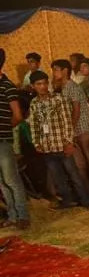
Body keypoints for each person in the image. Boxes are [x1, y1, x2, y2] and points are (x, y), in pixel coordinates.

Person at [26, 71, 89, 209]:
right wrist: (37, 142)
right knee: (58, 177)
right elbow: (34, 125)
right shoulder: (34, 103)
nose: (43, 87)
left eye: (45, 83)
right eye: (39, 84)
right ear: (33, 86)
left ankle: (87, 201)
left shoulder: (59, 99)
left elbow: (67, 122)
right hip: (47, 146)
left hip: (62, 144)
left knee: (74, 174)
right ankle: (68, 201)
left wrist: (69, 142)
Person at [52, 59, 89, 207]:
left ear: (65, 70)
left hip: (82, 129)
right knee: (81, 167)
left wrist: (69, 129)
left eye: (56, 70)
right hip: (75, 132)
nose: (54, 73)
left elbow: (76, 110)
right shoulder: (64, 88)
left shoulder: (71, 87)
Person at [0, 49, 29, 228]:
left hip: (3, 139)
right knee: (2, 182)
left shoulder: (7, 86)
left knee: (11, 179)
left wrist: (4, 129)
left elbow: (18, 115)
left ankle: (22, 216)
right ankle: (12, 216)